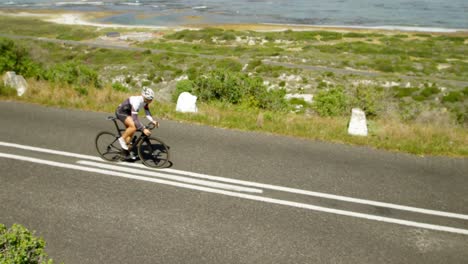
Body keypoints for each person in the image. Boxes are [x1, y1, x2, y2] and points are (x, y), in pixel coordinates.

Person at [115, 87, 159, 159]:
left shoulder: (145, 101)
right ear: (145, 98)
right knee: (134, 127)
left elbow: (147, 111)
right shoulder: (137, 102)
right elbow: (135, 119)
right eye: (150, 99)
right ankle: (121, 139)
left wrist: (152, 120)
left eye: (152, 99)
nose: (151, 101)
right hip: (121, 112)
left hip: (128, 113)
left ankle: (125, 153)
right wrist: (143, 129)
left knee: (131, 132)